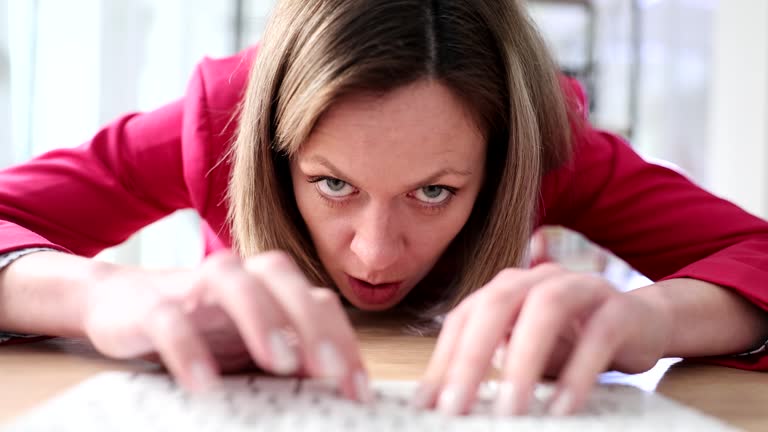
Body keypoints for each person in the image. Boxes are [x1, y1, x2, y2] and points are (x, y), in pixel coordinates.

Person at [1, 0, 767, 418]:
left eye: (434, 192)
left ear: (500, 162)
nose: (373, 253)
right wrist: (99, 293)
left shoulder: (550, 145)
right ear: (275, 146)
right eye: (333, 183)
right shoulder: (222, 117)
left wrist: (653, 321)